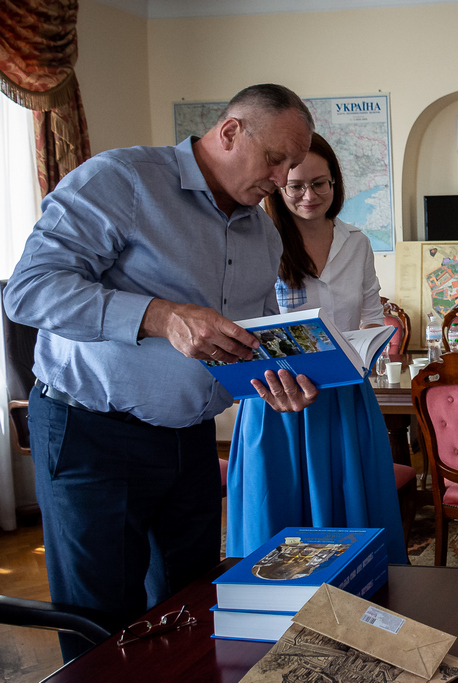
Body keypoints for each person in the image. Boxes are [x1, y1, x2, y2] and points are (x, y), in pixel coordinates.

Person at [3, 84, 319, 660]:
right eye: (275, 159)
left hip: (190, 440)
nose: (281, 180)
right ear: (230, 132)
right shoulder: (121, 180)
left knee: (190, 607)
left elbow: (252, 337)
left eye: (291, 166)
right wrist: (158, 316)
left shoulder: (264, 233)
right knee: (103, 624)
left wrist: (275, 381)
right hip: (92, 434)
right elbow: (29, 291)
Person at [226, 133, 406, 563]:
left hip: (344, 397)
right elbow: (241, 321)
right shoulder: (257, 240)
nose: (309, 196)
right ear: (277, 187)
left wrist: (368, 345)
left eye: (320, 183)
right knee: (278, 516)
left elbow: (371, 315)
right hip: (276, 399)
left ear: (335, 183)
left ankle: (354, 584)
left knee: (351, 507)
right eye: (296, 186)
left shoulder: (356, 241)